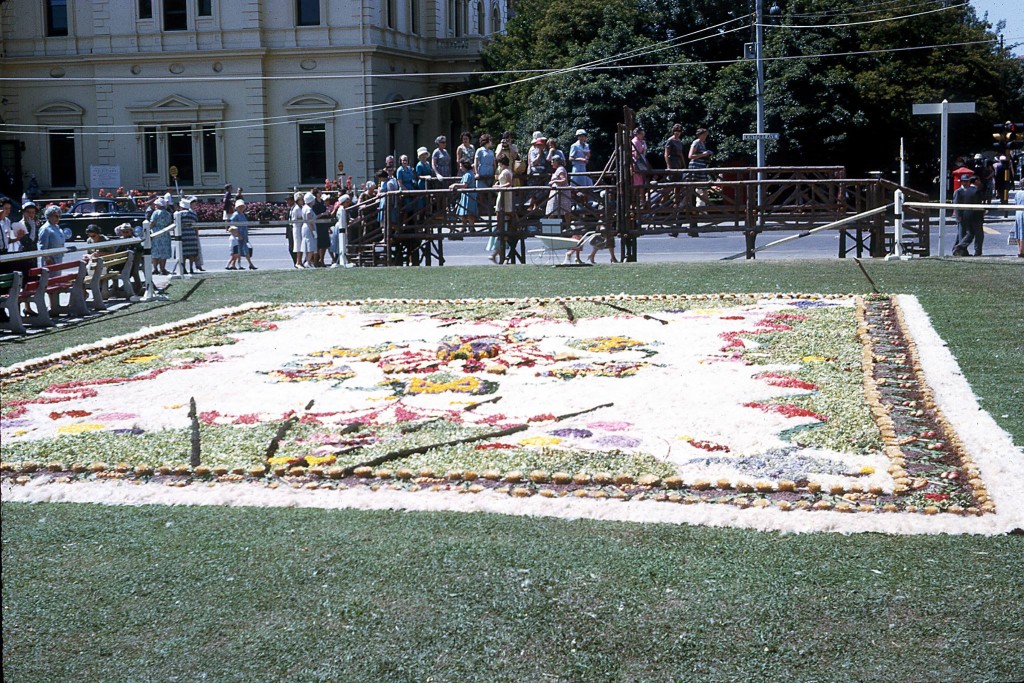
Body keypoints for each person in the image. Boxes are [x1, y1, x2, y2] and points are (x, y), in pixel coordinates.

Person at [952, 175, 985, 257]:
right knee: (975, 234)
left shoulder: (967, 191)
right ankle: (963, 249)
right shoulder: (962, 191)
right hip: (972, 216)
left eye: (967, 181)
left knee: (968, 234)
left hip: (966, 216)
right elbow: (956, 204)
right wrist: (958, 215)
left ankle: (961, 249)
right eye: (964, 181)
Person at [489, 154, 513, 263]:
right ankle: (498, 252)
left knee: (502, 224)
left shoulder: (507, 171)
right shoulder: (502, 171)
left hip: (505, 197)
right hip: (501, 196)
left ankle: (498, 252)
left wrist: (499, 186)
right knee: (500, 224)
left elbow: (509, 184)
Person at [227, 198, 256, 270]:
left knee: (243, 251)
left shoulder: (242, 214)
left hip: (244, 235)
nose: (241, 208)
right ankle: (249, 264)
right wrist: (237, 235)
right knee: (239, 252)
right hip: (239, 236)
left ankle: (235, 265)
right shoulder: (235, 215)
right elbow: (232, 225)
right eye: (240, 207)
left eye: (242, 207)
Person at [546, 154, 572, 231]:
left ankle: (552, 229)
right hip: (558, 193)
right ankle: (555, 229)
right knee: (554, 210)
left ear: (556, 162)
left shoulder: (560, 169)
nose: (551, 163)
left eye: (552, 161)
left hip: (561, 193)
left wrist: (554, 181)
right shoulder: (559, 169)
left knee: (553, 210)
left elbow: (564, 180)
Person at [450, 159, 478, 229]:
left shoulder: (468, 174)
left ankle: (469, 227)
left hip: (469, 195)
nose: (460, 168)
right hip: (468, 195)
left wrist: (455, 185)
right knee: (464, 212)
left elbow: (465, 185)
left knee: (469, 212)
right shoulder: (469, 173)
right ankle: (466, 227)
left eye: (461, 166)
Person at [149, 196, 173, 275]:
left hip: (156, 233)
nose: (155, 205)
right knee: (164, 252)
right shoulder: (168, 214)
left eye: (156, 204)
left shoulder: (156, 212)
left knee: (155, 252)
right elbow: (169, 223)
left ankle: (155, 268)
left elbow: (152, 223)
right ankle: (162, 268)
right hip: (165, 233)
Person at [177, 196, 201, 274]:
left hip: (183, 234)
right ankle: (191, 267)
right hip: (191, 234)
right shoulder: (193, 214)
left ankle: (183, 268)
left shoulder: (179, 215)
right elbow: (195, 225)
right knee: (192, 253)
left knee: (183, 253)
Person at [331, 193, 353, 267]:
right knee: (339, 244)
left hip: (342, 226)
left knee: (342, 244)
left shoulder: (343, 209)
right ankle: (338, 259)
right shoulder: (341, 210)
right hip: (340, 227)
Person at [311, 187, 330, 267]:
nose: (320, 193)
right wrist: (323, 214)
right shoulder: (314, 203)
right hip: (318, 225)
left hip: (324, 224)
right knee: (318, 244)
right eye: (319, 192)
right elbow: (314, 216)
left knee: (325, 243)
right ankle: (315, 261)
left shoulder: (322, 201)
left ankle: (321, 259)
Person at [300, 192, 317, 267]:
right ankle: (308, 261)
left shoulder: (304, 207)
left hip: (305, 227)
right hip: (309, 228)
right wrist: (313, 231)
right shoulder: (308, 209)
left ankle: (308, 261)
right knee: (311, 246)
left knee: (308, 245)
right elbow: (309, 221)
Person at [290, 192, 306, 268]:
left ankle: (300, 261)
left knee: (302, 245)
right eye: (301, 199)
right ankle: (298, 262)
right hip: (297, 228)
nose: (302, 201)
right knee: (298, 245)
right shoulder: (295, 209)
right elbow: (293, 220)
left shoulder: (301, 207)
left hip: (301, 227)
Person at [1014, 180, 1024, 258]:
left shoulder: (1018, 193)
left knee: (1018, 231)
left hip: (1018, 212)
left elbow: (1016, 202)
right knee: (1023, 232)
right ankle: (1022, 251)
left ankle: (1019, 250)